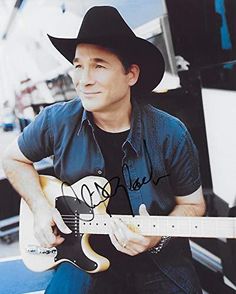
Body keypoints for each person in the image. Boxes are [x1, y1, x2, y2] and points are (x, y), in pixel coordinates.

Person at [3, 6, 206, 294]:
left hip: (158, 264)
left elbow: (194, 205)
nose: (83, 79)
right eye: (78, 65)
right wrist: (39, 207)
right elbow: (12, 159)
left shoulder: (170, 133)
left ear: (131, 75)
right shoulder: (56, 121)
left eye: (98, 66)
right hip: (77, 260)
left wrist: (156, 236)